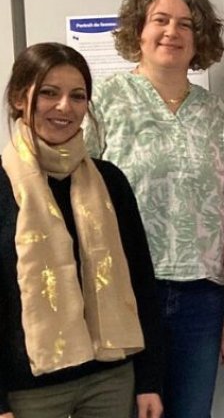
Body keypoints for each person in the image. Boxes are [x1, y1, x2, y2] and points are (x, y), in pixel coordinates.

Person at [86, 0, 224, 418]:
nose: (171, 32)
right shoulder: (102, 101)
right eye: (160, 20)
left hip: (201, 300)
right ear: (139, 29)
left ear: (200, 40)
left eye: (185, 25)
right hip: (123, 295)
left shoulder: (220, 115)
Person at [0, 43, 163, 418]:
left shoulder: (110, 182)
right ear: (17, 98)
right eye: (48, 93)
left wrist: (150, 380)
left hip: (110, 379)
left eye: (77, 96)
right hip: (29, 390)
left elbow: (142, 284)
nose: (64, 107)